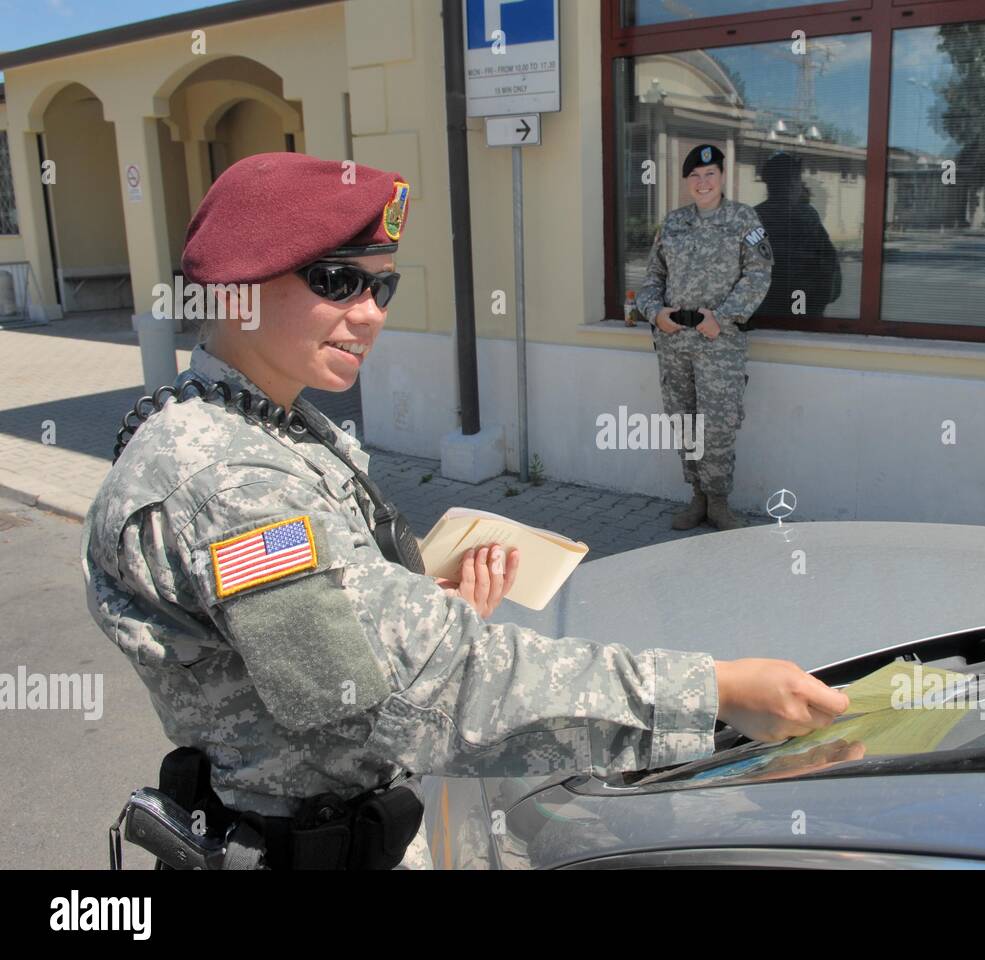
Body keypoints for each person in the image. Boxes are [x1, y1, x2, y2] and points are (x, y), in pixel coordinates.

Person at [81, 152, 847, 870]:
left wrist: (417, 602)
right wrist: (718, 693)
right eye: (337, 282)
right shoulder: (224, 481)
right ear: (236, 289)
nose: (371, 313)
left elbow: (335, 642)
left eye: (383, 287)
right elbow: (405, 694)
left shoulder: (261, 419)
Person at [637, 144, 773, 531]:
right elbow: (652, 280)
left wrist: (724, 317)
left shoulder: (744, 220)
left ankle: (719, 502)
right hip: (675, 342)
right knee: (684, 421)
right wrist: (655, 314)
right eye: (695, 176)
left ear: (723, 177)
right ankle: (697, 497)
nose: (702, 182)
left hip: (719, 344)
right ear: (686, 182)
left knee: (717, 423)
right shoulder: (673, 223)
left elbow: (758, 275)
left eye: (709, 174)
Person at [755, 152, 841, 320]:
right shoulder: (805, 216)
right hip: (798, 311)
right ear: (791, 183)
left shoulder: (754, 216)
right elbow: (828, 267)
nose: (799, 185)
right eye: (796, 179)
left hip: (764, 314)